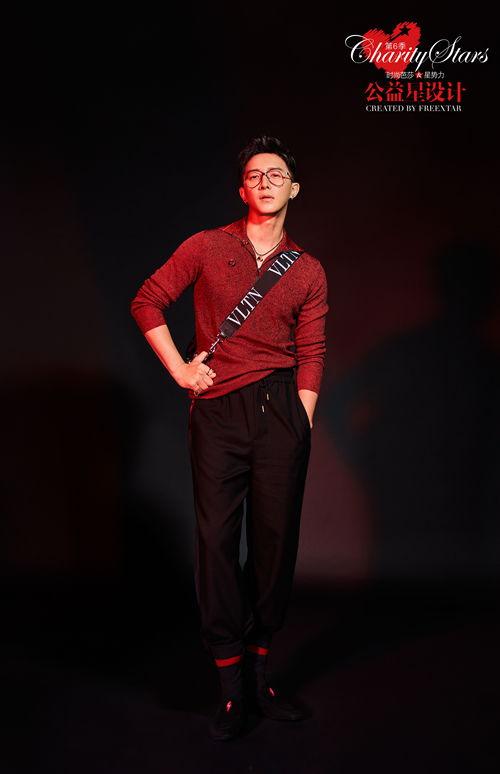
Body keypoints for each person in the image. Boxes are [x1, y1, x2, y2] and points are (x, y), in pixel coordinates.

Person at [130, 134, 329, 740]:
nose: (266, 181)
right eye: (255, 175)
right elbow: (147, 301)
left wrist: (301, 420)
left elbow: (312, 351)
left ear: (294, 188)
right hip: (217, 411)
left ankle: (260, 675)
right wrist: (180, 369)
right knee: (216, 542)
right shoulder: (206, 246)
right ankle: (229, 688)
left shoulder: (308, 269)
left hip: (281, 411)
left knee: (274, 544)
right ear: (242, 189)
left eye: (276, 174)